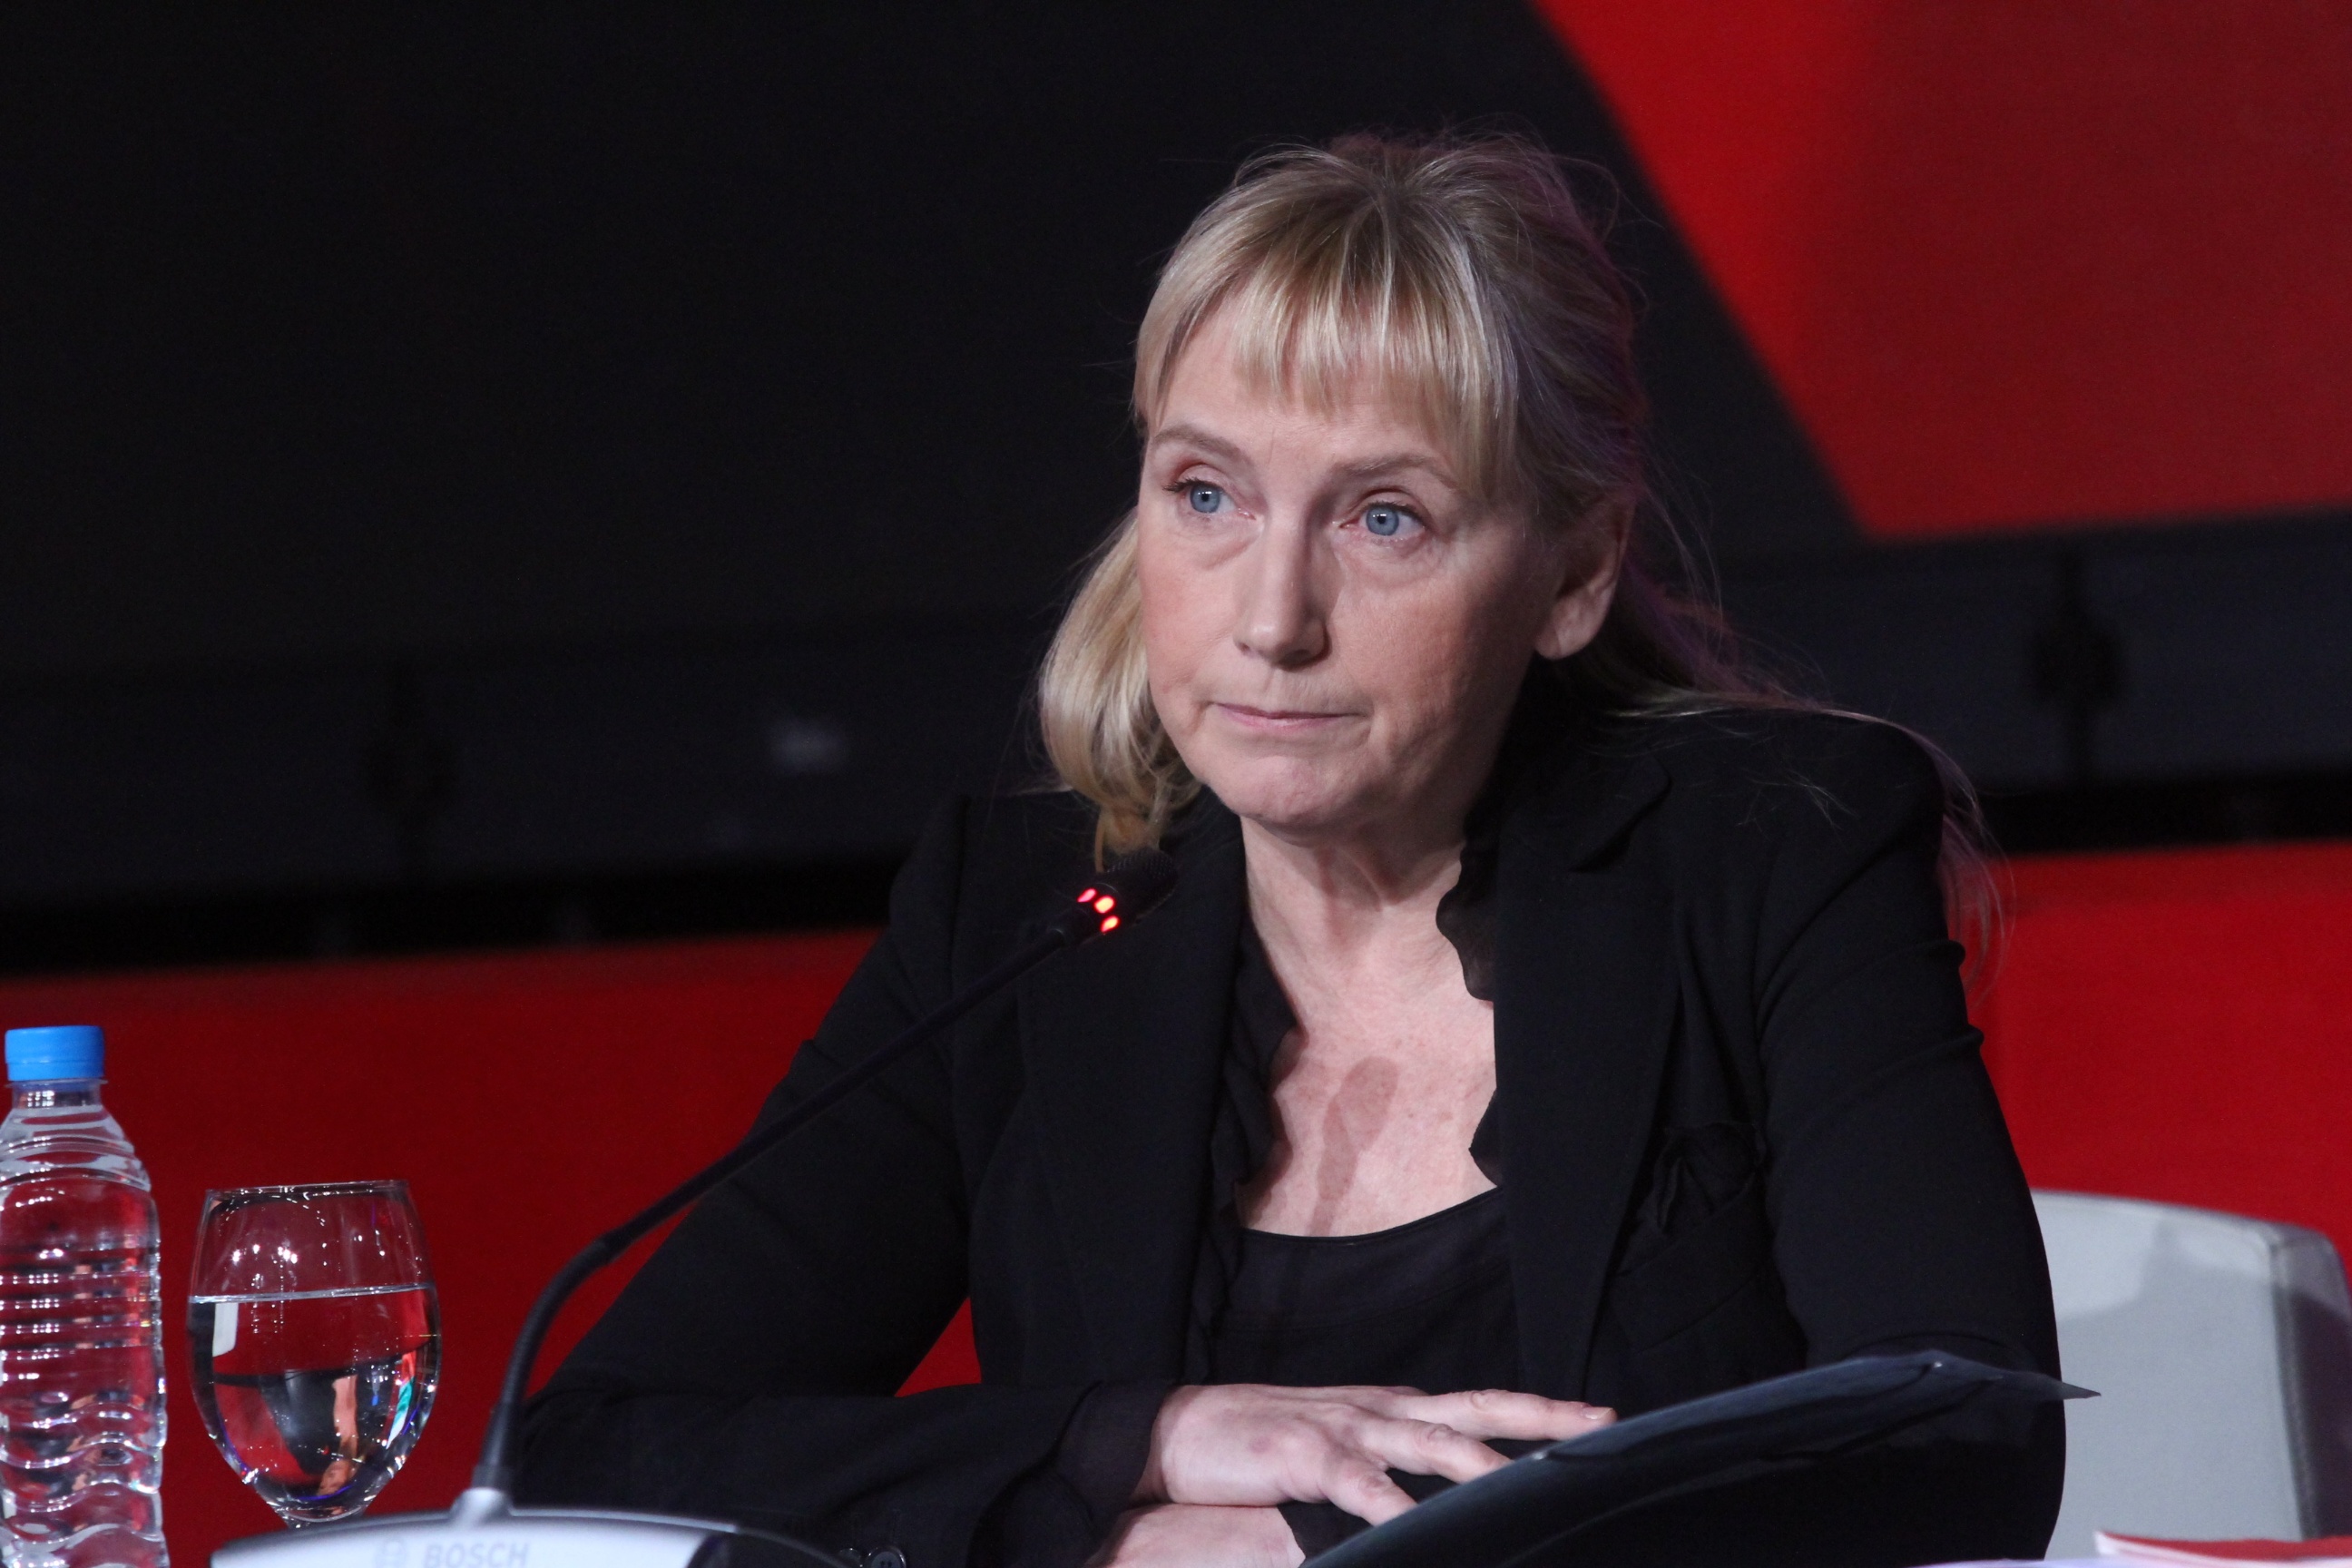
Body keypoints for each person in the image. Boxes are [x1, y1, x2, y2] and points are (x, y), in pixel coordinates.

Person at [518, 132, 2063, 1567]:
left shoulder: (1772, 853)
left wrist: (1321, 1549)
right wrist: (1139, 1447)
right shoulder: (1019, 918)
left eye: (1383, 519)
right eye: (1207, 494)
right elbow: (591, 1455)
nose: (1272, 621)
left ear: (1575, 573)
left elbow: (1962, 1438)